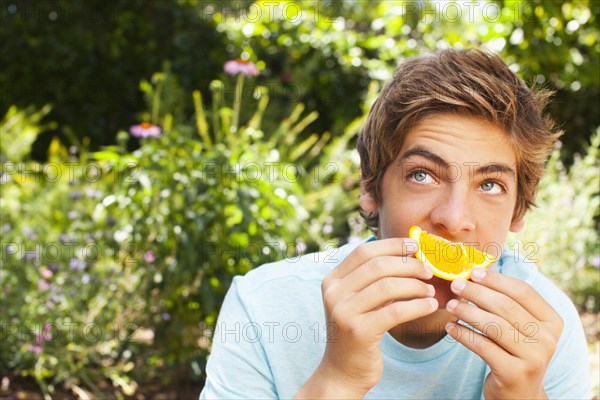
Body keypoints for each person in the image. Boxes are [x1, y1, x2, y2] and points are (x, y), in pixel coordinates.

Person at [199, 49, 590, 399]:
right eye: (422, 175)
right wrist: (338, 380)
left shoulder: (543, 330)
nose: (453, 220)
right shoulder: (264, 308)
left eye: (490, 185)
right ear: (371, 186)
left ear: (518, 212)